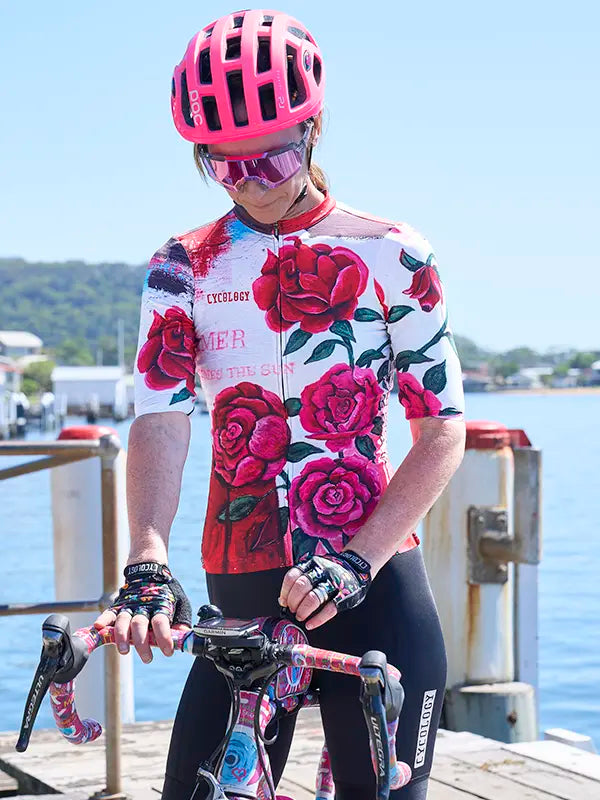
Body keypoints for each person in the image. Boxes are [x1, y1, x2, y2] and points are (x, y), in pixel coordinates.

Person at [94, 9, 466, 799]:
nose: (250, 184)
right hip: (242, 592)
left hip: (373, 591)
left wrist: (355, 559)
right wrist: (146, 561)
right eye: (225, 168)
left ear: (314, 132)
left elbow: (441, 432)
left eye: (270, 160)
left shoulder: (393, 254)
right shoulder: (181, 267)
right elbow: (162, 417)